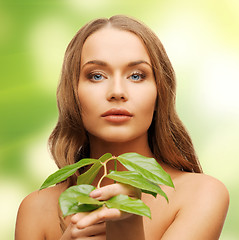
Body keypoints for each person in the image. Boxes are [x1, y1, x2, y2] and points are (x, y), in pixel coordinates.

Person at [15, 15, 229, 240]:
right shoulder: (35, 209)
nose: (117, 91)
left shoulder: (202, 194)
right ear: (73, 94)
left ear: (159, 94)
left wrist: (128, 230)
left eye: (136, 76)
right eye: (96, 76)